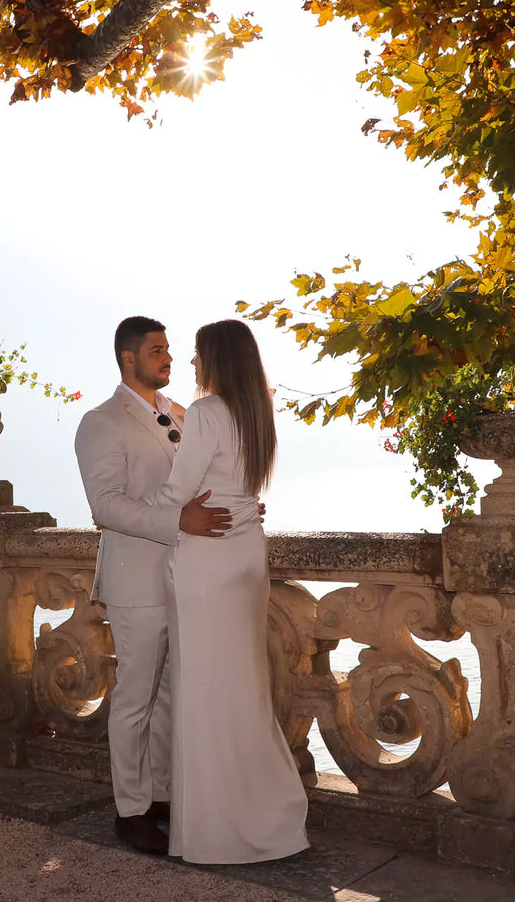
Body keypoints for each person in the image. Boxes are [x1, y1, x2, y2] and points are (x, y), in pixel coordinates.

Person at [151, 318, 309, 864]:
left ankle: (215, 831)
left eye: (197, 354)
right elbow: (241, 485)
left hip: (209, 558)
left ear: (216, 357)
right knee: (243, 683)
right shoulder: (256, 411)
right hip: (245, 551)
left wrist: (134, 508)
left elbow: (178, 490)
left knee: (204, 687)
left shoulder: (208, 411)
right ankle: (266, 814)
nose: (191, 363)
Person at [73, 316, 232, 856]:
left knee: (169, 697)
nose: (168, 359)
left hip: (187, 577)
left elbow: (202, 486)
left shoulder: (184, 416)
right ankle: (130, 810)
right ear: (128, 357)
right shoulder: (101, 422)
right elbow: (105, 506)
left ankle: (163, 796)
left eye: (169, 350)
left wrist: (236, 507)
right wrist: (177, 523)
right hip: (135, 580)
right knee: (134, 698)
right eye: (157, 351)